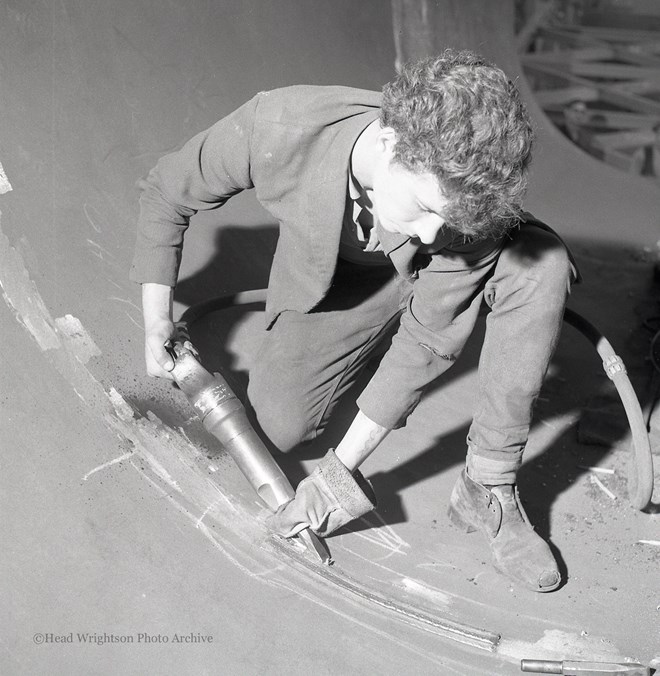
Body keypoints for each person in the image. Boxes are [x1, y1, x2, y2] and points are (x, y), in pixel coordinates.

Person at [131, 49, 577, 593]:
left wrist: (336, 479)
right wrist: (157, 319)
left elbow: (427, 341)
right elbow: (167, 191)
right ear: (390, 143)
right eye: (426, 205)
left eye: (450, 217)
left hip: (449, 281)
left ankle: (489, 485)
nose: (435, 235)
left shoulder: (462, 220)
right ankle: (382, 319)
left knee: (540, 268)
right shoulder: (282, 127)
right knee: (283, 425)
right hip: (347, 279)